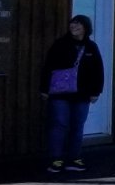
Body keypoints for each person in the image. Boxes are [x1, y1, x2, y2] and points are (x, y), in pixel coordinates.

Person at [40, 15, 104, 175]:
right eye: (72, 23)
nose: (74, 26)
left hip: (82, 95)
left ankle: (74, 158)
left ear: (85, 27)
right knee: (59, 125)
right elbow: (48, 66)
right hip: (60, 93)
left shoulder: (91, 47)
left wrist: (96, 91)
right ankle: (56, 159)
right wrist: (44, 89)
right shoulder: (60, 44)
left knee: (77, 126)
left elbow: (98, 70)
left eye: (78, 24)